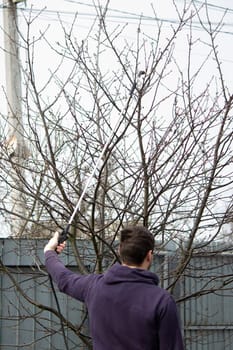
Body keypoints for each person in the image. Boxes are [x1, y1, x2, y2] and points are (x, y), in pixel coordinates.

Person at [44, 225, 185, 350]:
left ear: (119, 251)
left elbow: (64, 279)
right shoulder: (162, 301)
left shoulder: (94, 287)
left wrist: (49, 252)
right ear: (149, 256)